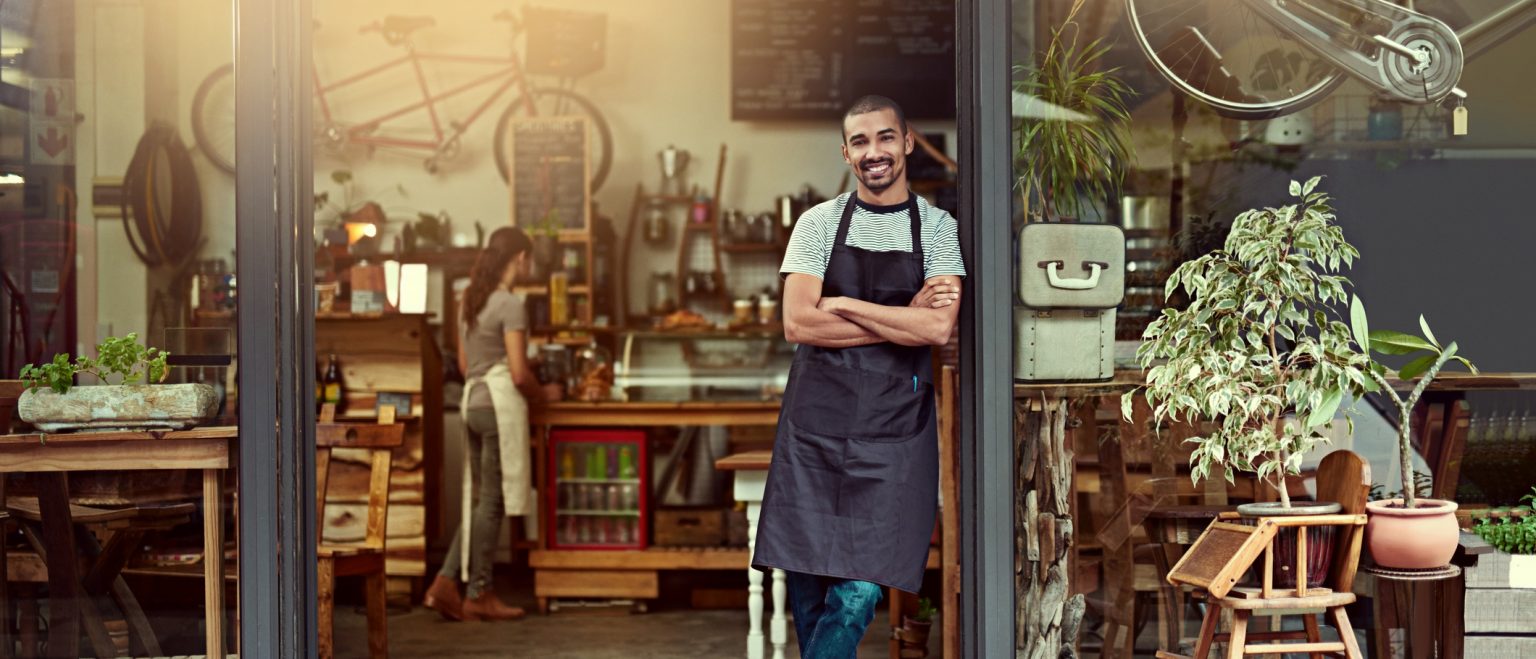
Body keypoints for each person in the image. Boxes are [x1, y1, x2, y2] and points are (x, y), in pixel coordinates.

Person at [753, 95, 965, 657]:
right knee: (808, 576)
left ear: (908, 141)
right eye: (861, 141)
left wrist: (843, 304)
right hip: (816, 428)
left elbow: (938, 328)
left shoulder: (939, 229)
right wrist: (900, 318)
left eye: (885, 137)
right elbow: (799, 321)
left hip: (894, 433)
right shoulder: (818, 223)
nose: (875, 152)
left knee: (858, 588)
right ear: (846, 153)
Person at [424, 226, 543, 622]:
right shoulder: (510, 304)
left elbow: (462, 365)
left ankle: (445, 583)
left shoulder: (468, 302)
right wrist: (546, 395)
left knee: (478, 502)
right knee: (491, 502)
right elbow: (520, 374)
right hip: (496, 407)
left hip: (472, 404)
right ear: (520, 258)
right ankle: (479, 593)